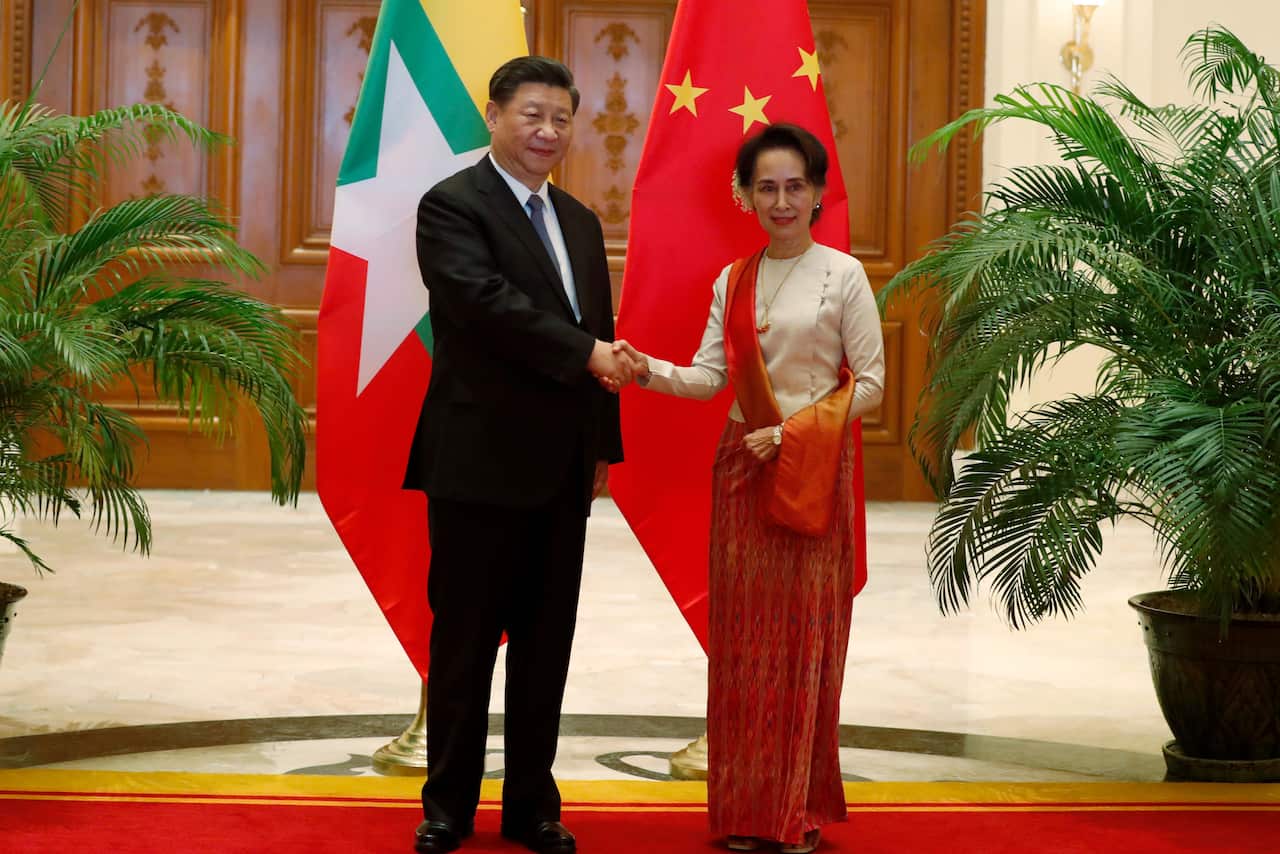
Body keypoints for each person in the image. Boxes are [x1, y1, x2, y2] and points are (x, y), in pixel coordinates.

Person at [614, 123, 885, 854]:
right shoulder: (732, 279)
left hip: (811, 468)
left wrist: (792, 434)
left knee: (802, 641)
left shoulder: (843, 275)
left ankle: (795, 811)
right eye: (766, 187)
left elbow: (873, 384)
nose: (782, 200)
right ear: (745, 196)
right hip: (742, 465)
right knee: (743, 645)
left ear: (818, 192)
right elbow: (710, 379)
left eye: (795, 186)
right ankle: (746, 809)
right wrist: (645, 369)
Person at [403, 56, 632, 854]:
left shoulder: (579, 221)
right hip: (477, 461)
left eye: (562, 118)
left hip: (562, 467)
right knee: (463, 646)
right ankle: (448, 808)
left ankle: (533, 806)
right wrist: (587, 354)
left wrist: (602, 447)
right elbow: (484, 306)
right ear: (494, 116)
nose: (548, 131)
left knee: (546, 647)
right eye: (532, 114)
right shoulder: (451, 206)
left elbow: (599, 330)